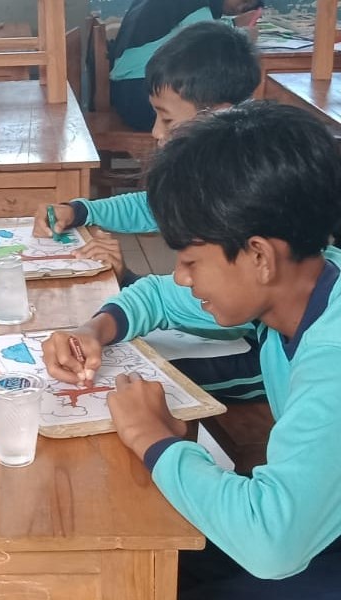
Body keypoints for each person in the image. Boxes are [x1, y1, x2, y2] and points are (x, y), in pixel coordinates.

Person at [42, 102, 341, 598]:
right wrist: (92, 330)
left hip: (306, 541)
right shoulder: (306, 275)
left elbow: (273, 543)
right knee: (142, 553)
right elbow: (155, 296)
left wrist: (152, 437)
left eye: (190, 261)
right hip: (312, 517)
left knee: (151, 580)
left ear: (260, 256)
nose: (181, 277)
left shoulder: (332, 357)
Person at [36, 22, 265, 405]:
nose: (157, 132)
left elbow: (188, 303)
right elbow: (151, 219)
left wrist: (127, 293)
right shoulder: (209, 172)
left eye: (168, 119)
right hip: (214, 319)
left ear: (217, 115)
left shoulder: (243, 190)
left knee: (132, 384)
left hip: (251, 349)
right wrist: (82, 210)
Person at [107, 0, 263, 131]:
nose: (242, 7)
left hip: (126, 93)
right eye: (244, 1)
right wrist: (245, 36)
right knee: (234, 111)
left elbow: (200, 28)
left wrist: (234, 23)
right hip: (143, 98)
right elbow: (209, 45)